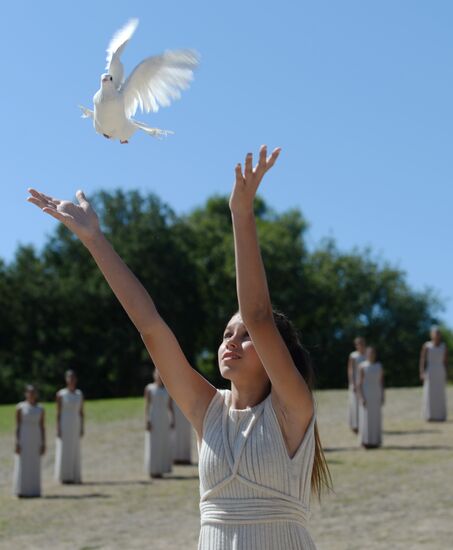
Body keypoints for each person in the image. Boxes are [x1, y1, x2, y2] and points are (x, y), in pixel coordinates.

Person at [27, 145, 331, 549]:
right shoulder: (209, 411)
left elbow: (257, 314)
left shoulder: (293, 408)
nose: (232, 341)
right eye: (227, 334)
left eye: (245, 337)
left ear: (278, 353)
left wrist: (240, 212)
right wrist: (94, 240)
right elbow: (151, 327)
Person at [13, 385, 46, 497]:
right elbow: (17, 426)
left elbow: (42, 426)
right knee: (23, 463)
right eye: (29, 392)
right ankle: (21, 490)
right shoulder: (20, 407)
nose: (31, 395)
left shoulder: (40, 408)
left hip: (35, 438)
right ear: (25, 394)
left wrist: (43, 443)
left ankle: (34, 490)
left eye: (33, 393)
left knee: (34, 463)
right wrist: (17, 442)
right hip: (24, 437)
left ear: (36, 394)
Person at [55, 370, 84, 483]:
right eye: (69, 378)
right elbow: (58, 412)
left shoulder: (79, 394)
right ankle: (65, 476)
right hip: (64, 423)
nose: (71, 380)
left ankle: (75, 475)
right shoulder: (61, 394)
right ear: (66, 380)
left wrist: (82, 427)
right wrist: (58, 428)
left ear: (75, 380)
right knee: (64, 449)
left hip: (75, 423)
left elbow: (81, 412)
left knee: (75, 449)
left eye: (73, 378)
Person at [144, 369, 174, 478]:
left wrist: (172, 420)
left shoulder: (168, 390)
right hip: (154, 418)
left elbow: (170, 407)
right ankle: (153, 469)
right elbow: (147, 406)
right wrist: (147, 420)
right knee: (153, 444)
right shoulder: (149, 389)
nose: (159, 377)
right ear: (154, 375)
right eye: (157, 374)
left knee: (163, 444)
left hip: (164, 420)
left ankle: (161, 468)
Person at [357, 347, 384, 449]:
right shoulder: (362, 366)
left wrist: (382, 395)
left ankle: (375, 441)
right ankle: (365, 441)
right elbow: (359, 384)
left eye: (373, 353)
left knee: (376, 417)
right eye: (370, 353)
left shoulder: (379, 366)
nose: (371, 355)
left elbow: (381, 382)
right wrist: (361, 397)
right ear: (367, 354)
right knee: (366, 417)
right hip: (366, 393)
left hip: (376, 393)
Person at [419, 326, 448, 421]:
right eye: (435, 333)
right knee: (429, 393)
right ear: (431, 335)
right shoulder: (427, 346)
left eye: (438, 333)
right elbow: (422, 359)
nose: (437, 335)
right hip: (430, 370)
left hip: (440, 370)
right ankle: (429, 415)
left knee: (439, 393)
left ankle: (440, 415)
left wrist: (446, 373)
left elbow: (445, 361)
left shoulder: (444, 346)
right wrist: (422, 372)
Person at [347, 337, 367, 433]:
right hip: (355, 382)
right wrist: (352, 383)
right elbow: (350, 370)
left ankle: (364, 424)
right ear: (356, 345)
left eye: (362, 343)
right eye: (358, 344)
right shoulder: (353, 355)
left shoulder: (368, 354)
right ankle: (355, 425)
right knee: (354, 403)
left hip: (365, 383)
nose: (361, 345)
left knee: (363, 403)